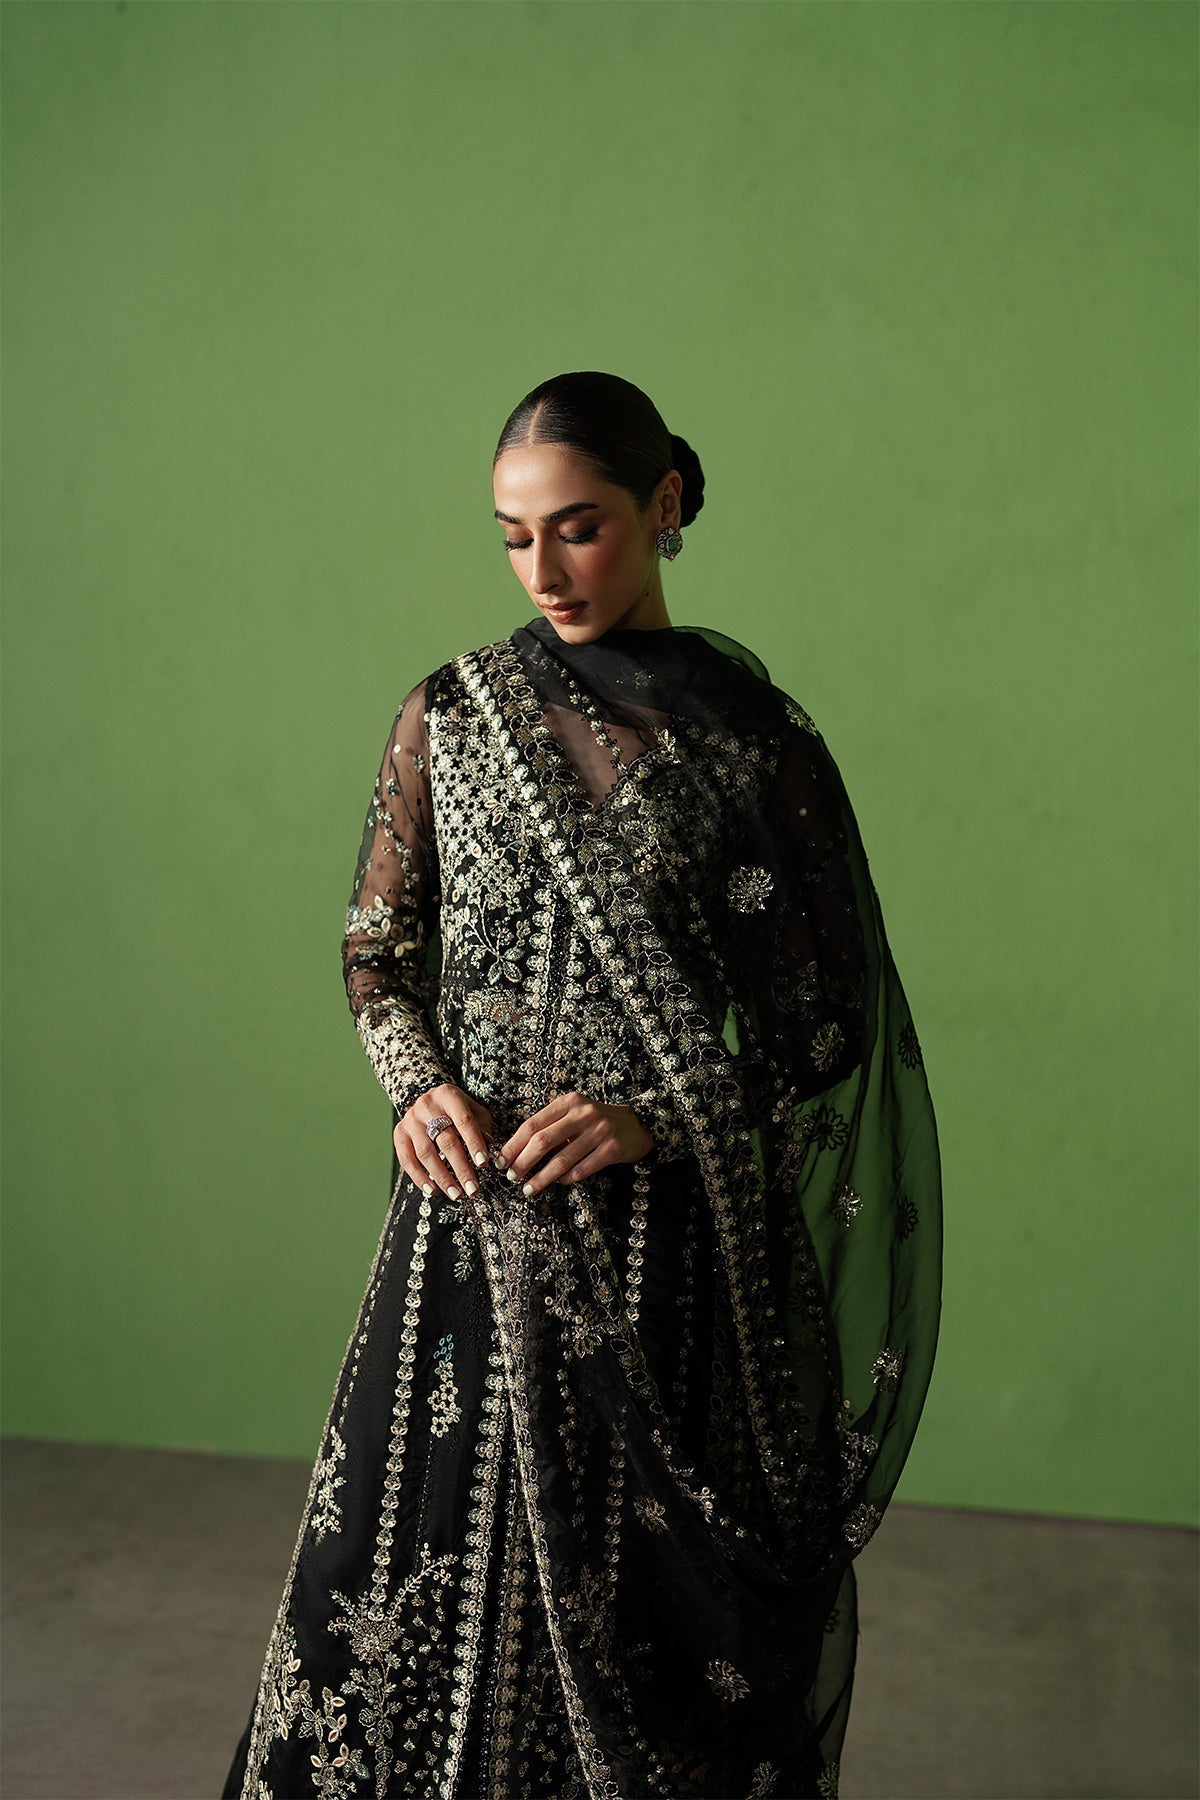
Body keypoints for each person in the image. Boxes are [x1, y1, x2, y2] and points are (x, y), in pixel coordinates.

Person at [220, 370, 942, 1800]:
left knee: (650, 1634)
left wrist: (652, 1117)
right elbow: (379, 953)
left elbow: (821, 1032)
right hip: (467, 1239)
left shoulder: (754, 746)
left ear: (664, 505)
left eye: (579, 528)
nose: (544, 572)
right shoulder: (451, 715)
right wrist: (417, 1086)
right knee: (411, 1596)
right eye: (513, 537)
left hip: (664, 1258)